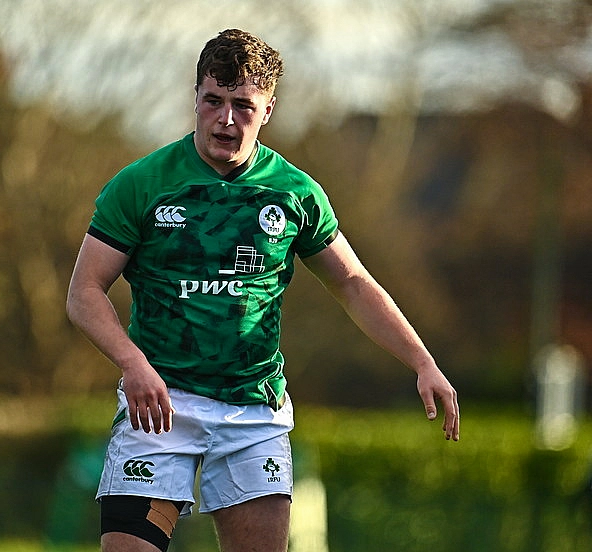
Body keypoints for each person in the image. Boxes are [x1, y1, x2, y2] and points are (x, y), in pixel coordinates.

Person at [66, 28, 460, 552]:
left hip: (251, 411)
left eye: (243, 106)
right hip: (160, 405)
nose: (226, 120)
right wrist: (133, 365)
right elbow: (85, 291)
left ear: (268, 109)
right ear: (197, 97)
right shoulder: (141, 184)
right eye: (214, 101)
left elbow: (352, 281)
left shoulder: (294, 193)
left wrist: (422, 361)